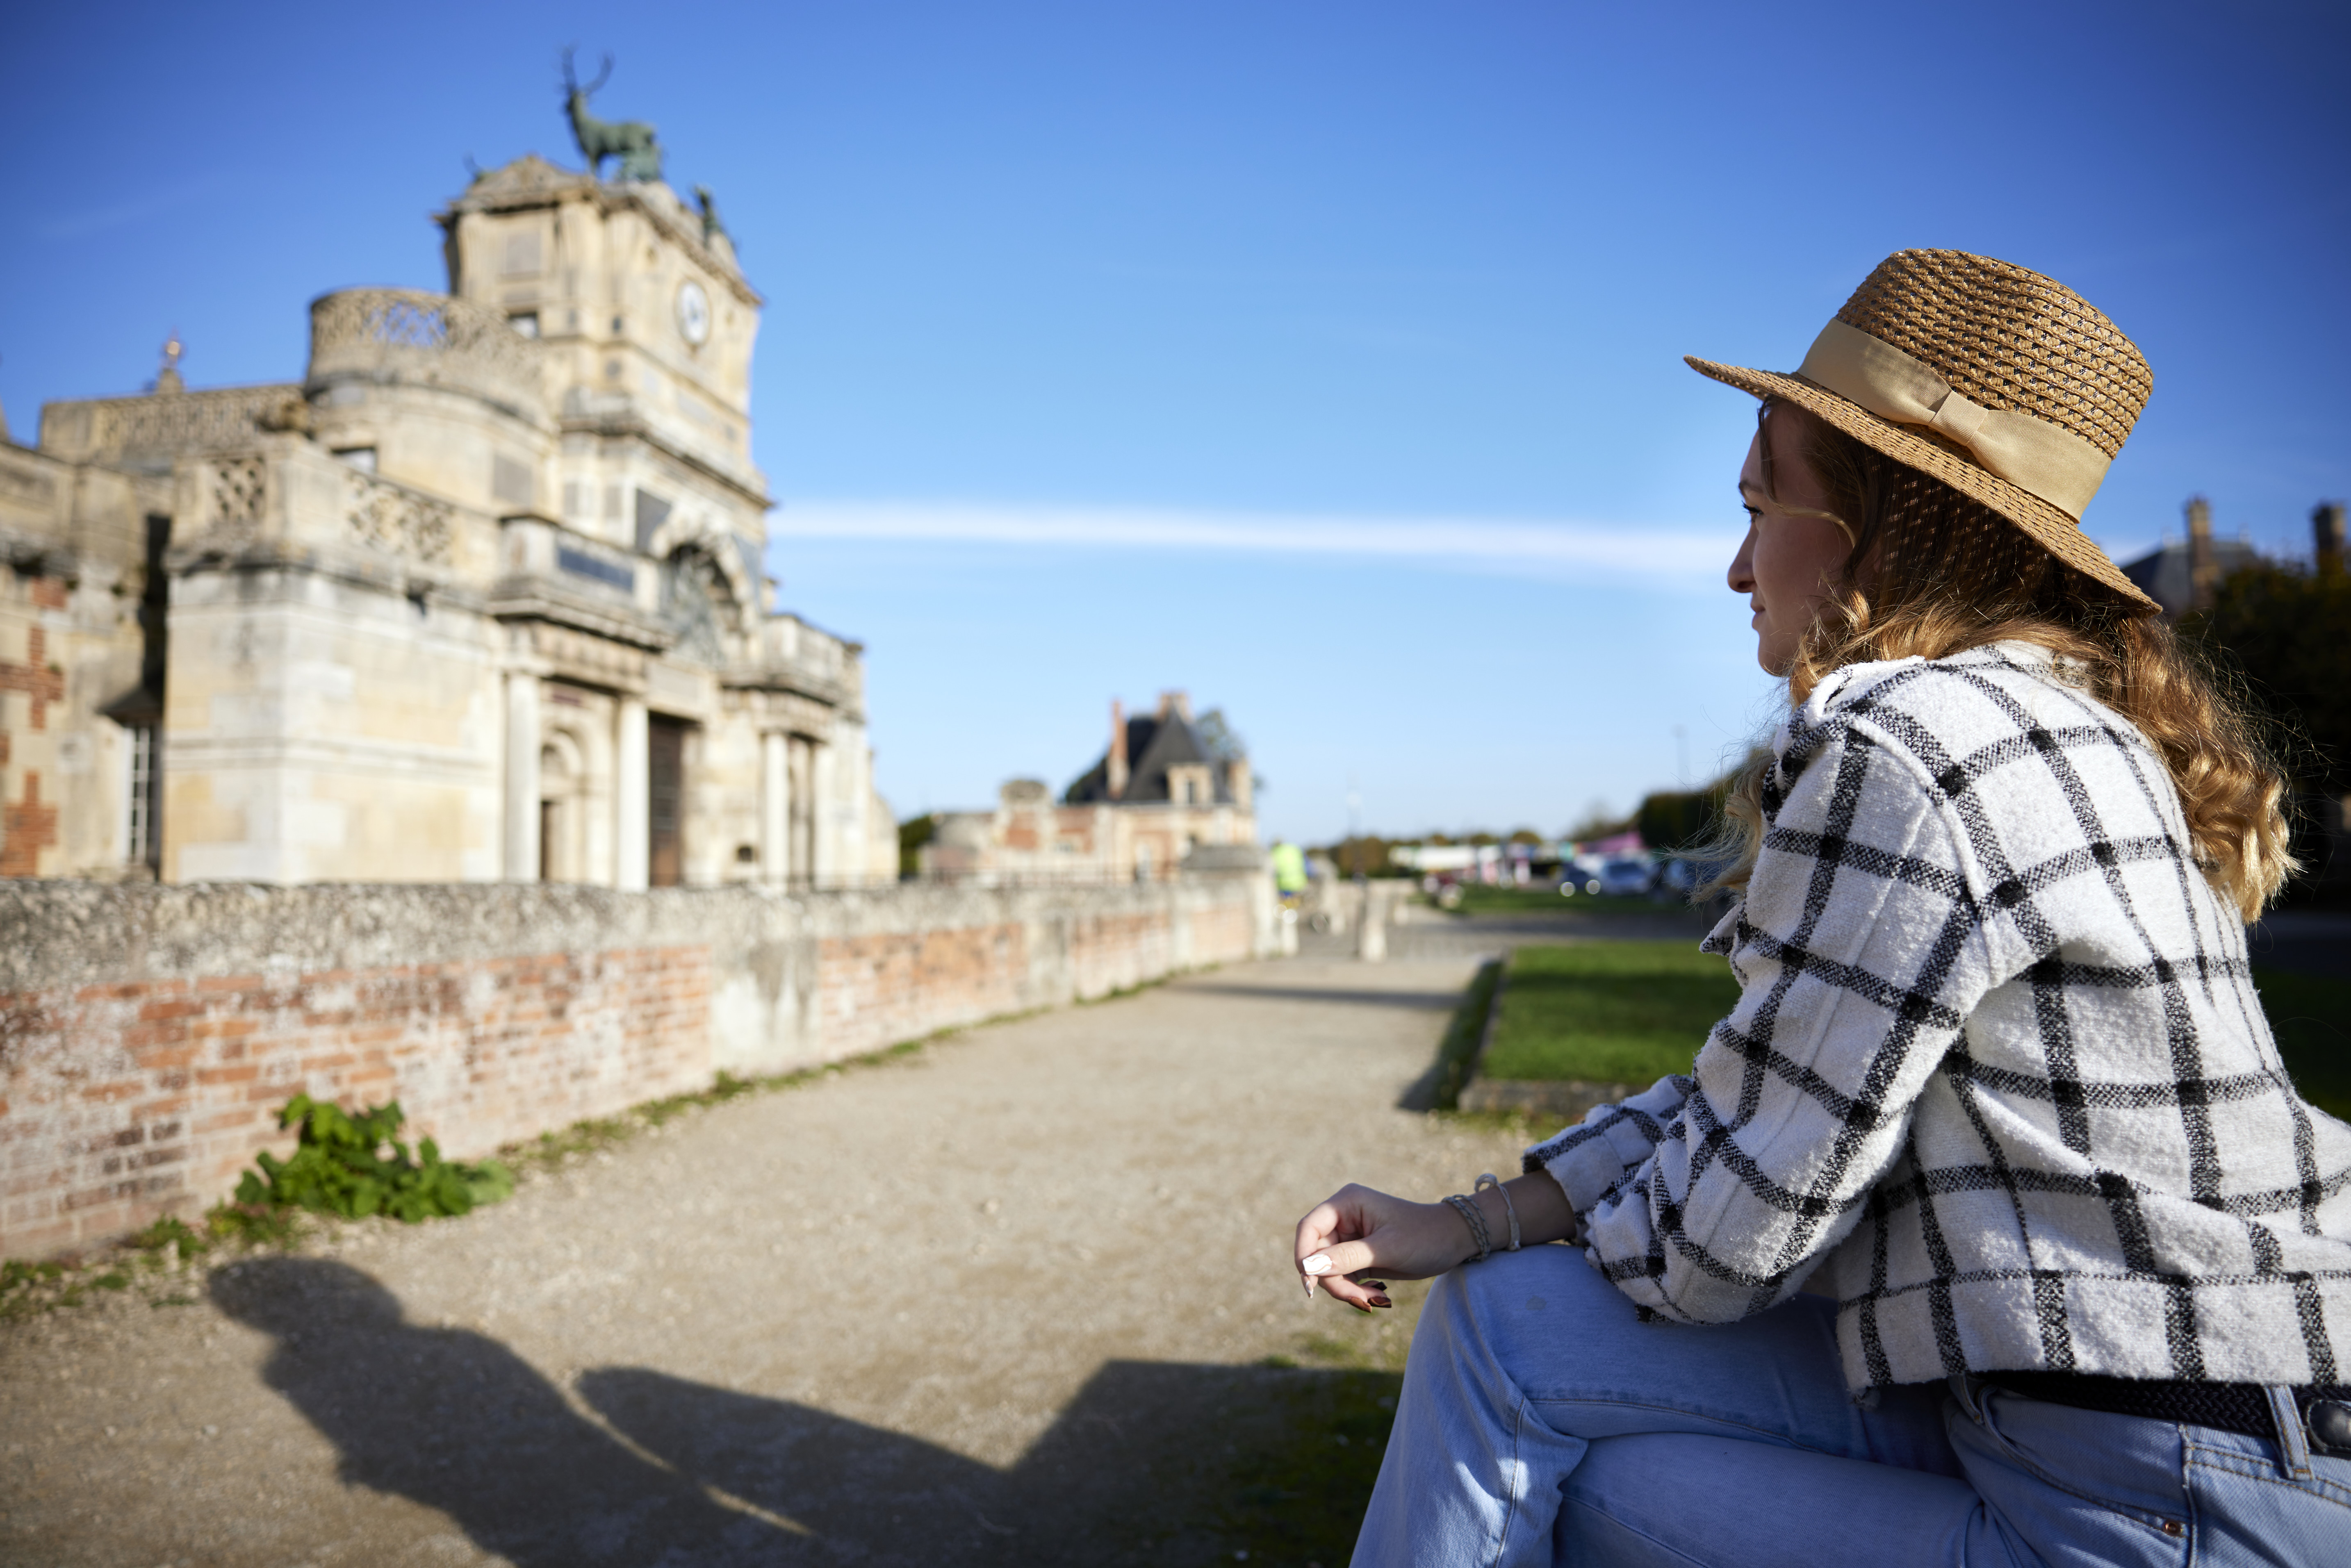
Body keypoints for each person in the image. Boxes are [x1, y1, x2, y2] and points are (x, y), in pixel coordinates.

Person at [1293, 250, 2351, 1566]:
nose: (1740, 567)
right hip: (2219, 1433)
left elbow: (1728, 1241)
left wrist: (1546, 1237)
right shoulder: (2083, 730)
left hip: (2157, 1496)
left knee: (1542, 1420)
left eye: (1759, 506)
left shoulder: (1910, 751)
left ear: (1879, 524)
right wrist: (1475, 1222)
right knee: (1501, 1323)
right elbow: (1767, 1096)